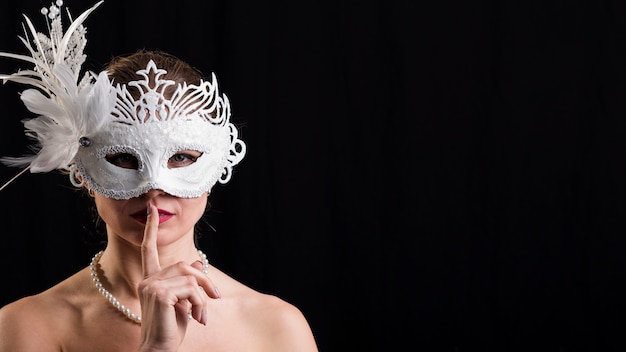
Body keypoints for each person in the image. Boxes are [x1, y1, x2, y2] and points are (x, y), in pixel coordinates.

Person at [0, 1, 318, 351]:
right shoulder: (28, 326)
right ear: (80, 166)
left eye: (182, 157)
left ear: (218, 165)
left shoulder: (275, 327)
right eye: (122, 157)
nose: (154, 188)